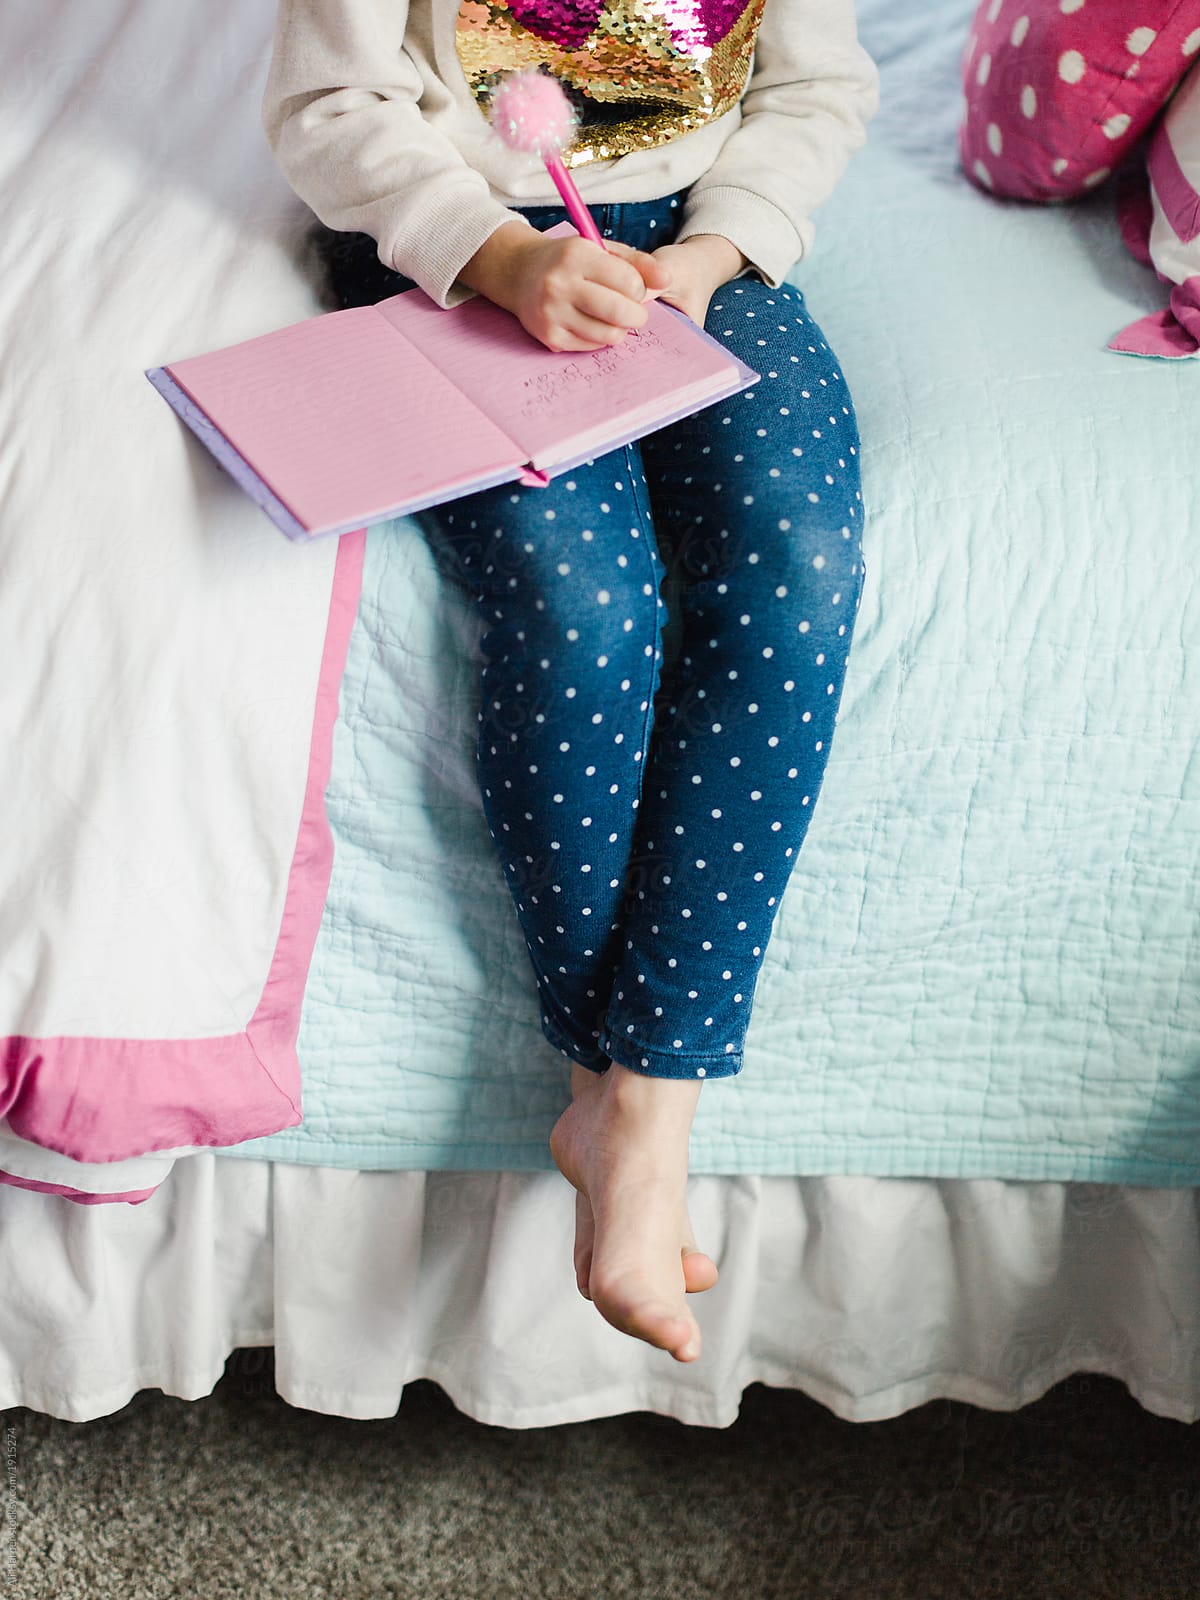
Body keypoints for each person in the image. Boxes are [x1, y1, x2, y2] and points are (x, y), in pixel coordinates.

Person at [263, 0, 880, 1366]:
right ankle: (610, 1089)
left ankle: (642, 1105)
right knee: (584, 610)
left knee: (799, 564)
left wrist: (717, 251)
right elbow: (327, 108)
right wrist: (496, 257)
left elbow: (815, 91)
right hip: (457, 237)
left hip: (701, 238)